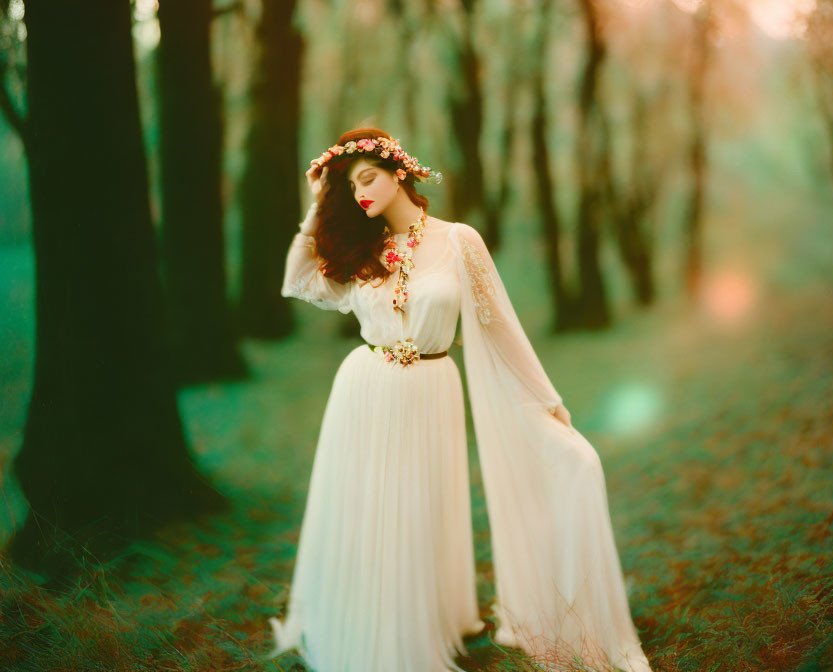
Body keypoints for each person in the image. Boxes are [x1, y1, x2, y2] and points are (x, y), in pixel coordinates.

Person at [266, 127, 653, 672]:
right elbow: (296, 279)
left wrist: (548, 402)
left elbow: (500, 331)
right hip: (362, 389)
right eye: (351, 188)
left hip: (431, 387)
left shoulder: (458, 242)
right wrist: (315, 205)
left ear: (399, 171)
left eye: (369, 179)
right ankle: (375, 628)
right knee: (368, 510)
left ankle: (428, 623)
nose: (361, 194)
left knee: (420, 511)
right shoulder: (361, 247)